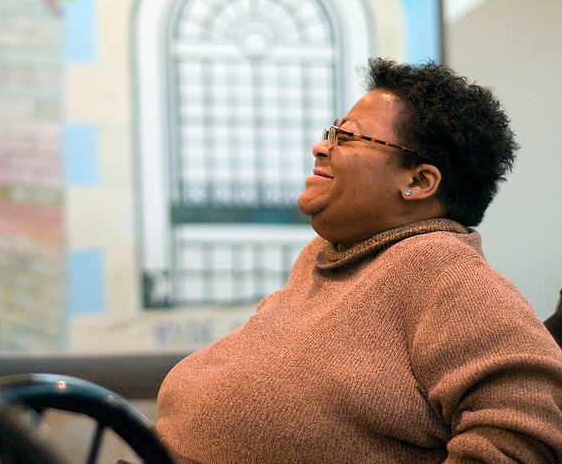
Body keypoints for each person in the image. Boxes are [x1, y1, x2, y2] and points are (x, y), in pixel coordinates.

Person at [155, 58, 562, 463]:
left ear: (418, 182)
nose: (320, 147)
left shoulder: (442, 266)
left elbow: (529, 432)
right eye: (330, 132)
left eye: (346, 137)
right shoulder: (326, 258)